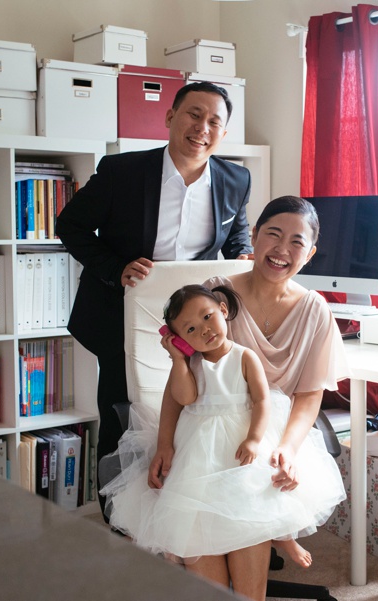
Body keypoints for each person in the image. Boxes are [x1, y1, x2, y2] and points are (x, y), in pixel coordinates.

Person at [55, 81, 253, 510]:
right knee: (124, 416)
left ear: (223, 132)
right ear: (170, 116)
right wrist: (116, 268)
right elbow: (69, 225)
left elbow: (236, 235)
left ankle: (183, 511)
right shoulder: (121, 171)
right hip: (122, 314)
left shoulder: (236, 179)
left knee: (195, 410)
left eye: (214, 121)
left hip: (194, 322)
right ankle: (118, 518)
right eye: (193, 114)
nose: (202, 128)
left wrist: (242, 255)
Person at [148, 195, 350, 601]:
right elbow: (180, 381)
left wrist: (287, 448)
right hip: (205, 433)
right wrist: (165, 443)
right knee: (204, 554)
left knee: (251, 506)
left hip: (268, 433)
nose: (282, 249)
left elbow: (309, 396)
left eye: (297, 241)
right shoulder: (214, 295)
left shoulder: (315, 311)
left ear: (310, 253)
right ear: (254, 236)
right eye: (273, 234)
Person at [100, 284, 343, 575]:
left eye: (207, 317)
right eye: (190, 329)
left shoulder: (244, 356)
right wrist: (178, 358)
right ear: (178, 339)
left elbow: (262, 400)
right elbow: (185, 397)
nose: (204, 330)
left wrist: (254, 438)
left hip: (240, 433)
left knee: (258, 490)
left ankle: (284, 539)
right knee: (195, 498)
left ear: (223, 310)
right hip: (200, 443)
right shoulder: (191, 364)